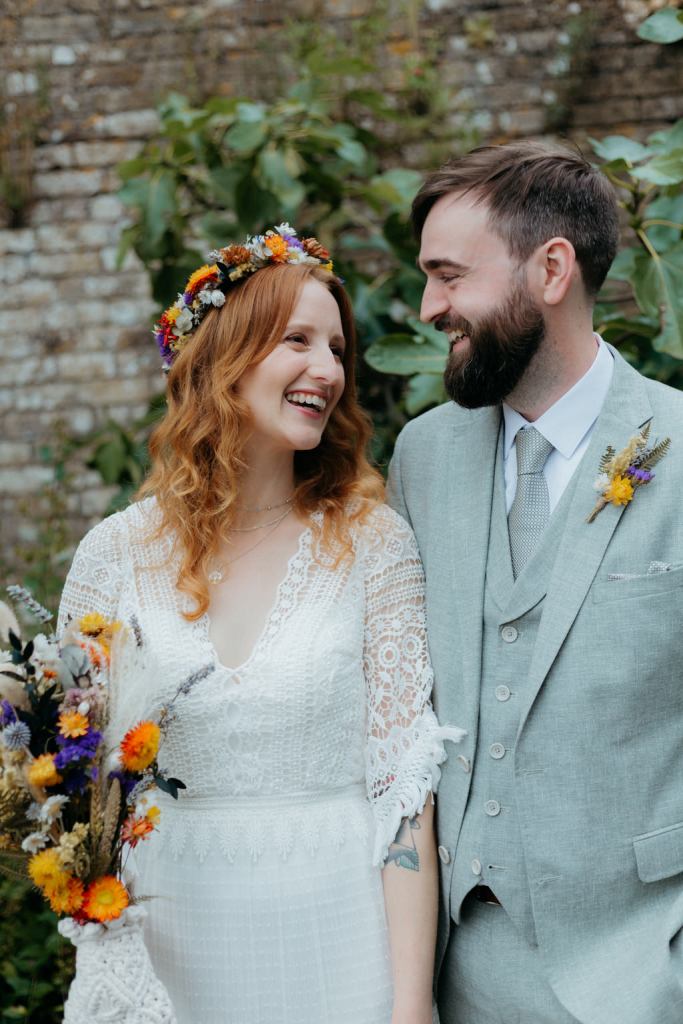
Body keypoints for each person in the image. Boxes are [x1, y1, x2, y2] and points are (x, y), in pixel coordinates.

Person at [57, 225, 464, 1024]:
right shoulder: (114, 555)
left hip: (339, 945)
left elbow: (403, 790)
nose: (329, 370)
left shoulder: (372, 543)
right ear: (225, 358)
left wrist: (410, 1005)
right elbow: (74, 786)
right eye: (298, 341)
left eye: (338, 349)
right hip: (166, 946)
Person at [387, 142, 683, 1024]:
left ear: (551, 269)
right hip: (454, 981)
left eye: (448, 276)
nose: (431, 306)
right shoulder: (421, 457)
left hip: (645, 972)